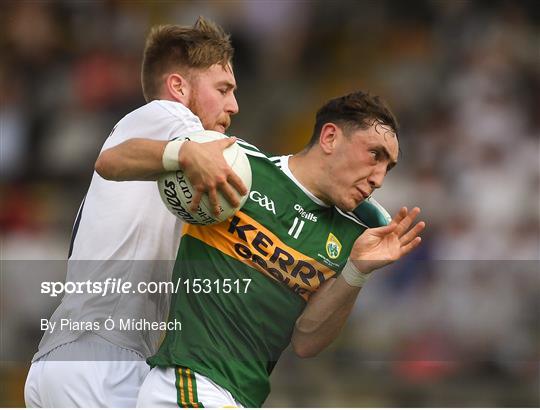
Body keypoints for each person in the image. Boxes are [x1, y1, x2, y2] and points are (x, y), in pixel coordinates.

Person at [136, 91, 425, 407]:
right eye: (375, 155)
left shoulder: (349, 237)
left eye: (389, 167)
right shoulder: (237, 165)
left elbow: (306, 342)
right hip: (185, 381)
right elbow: (115, 160)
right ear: (330, 137)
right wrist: (179, 155)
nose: (380, 179)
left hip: (242, 398)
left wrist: (357, 270)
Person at [25, 17, 246, 407]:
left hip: (72, 355)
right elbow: (109, 161)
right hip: (102, 361)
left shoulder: (160, 151)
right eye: (223, 89)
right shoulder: (172, 117)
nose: (234, 105)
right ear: (177, 87)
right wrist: (188, 150)